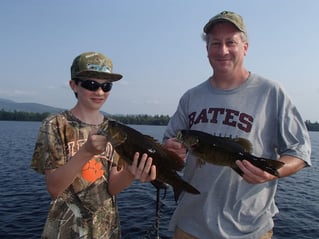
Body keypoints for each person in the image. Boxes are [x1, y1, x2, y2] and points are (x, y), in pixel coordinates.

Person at [163, 11, 311, 239]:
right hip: (190, 226)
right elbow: (169, 147)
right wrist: (173, 151)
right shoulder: (190, 97)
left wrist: (271, 173)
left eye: (230, 42)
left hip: (249, 230)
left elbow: (300, 152)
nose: (222, 51)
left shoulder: (271, 92)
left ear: (245, 47)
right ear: (207, 50)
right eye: (215, 43)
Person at [31, 51, 156, 239]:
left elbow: (112, 188)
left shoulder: (114, 129)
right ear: (74, 85)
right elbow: (54, 188)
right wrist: (86, 152)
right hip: (64, 232)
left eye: (106, 86)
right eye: (91, 84)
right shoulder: (55, 124)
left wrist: (130, 172)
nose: (99, 92)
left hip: (106, 231)